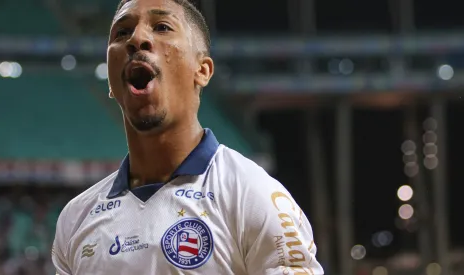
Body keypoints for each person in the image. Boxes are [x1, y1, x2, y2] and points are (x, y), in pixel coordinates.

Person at [51, 0, 324, 274]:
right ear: (111, 82)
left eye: (162, 27)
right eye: (122, 33)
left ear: (202, 70)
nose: (137, 39)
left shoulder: (254, 196)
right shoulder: (76, 219)